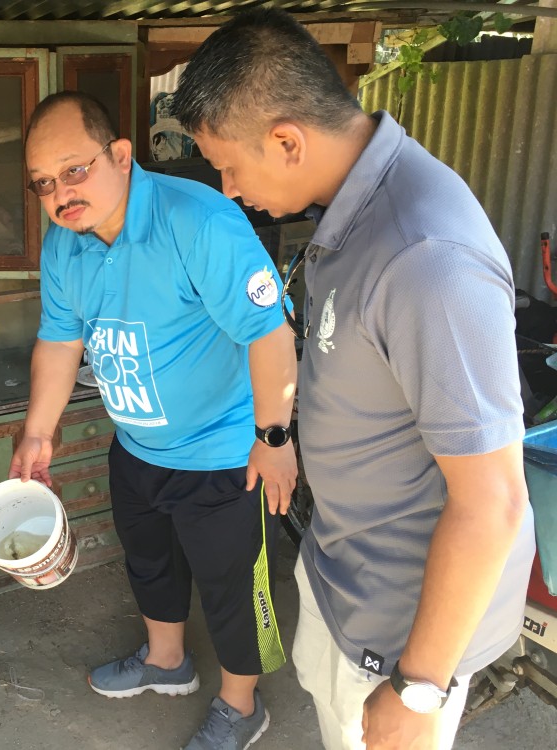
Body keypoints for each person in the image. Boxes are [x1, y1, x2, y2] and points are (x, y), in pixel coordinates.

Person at [172, 9, 536, 750]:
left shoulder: (425, 257)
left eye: (229, 166)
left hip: (401, 632)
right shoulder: (353, 210)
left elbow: (491, 502)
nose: (229, 189)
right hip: (344, 575)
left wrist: (418, 687)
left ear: (286, 140)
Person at [10, 90, 298, 750]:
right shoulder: (66, 246)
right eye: (43, 184)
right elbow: (59, 340)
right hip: (137, 448)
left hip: (226, 456)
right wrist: (37, 431)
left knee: (233, 588)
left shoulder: (196, 221)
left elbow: (268, 332)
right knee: (150, 565)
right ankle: (165, 662)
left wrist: (274, 438)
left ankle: (241, 705)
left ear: (119, 155)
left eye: (74, 170)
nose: (60, 194)